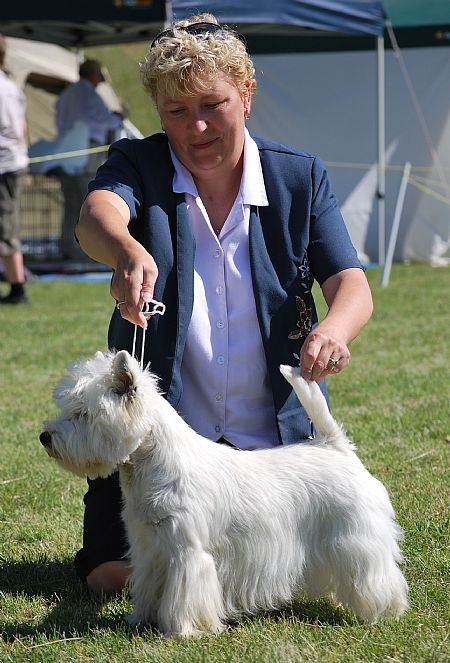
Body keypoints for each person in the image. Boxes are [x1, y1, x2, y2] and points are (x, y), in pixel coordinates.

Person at [75, 13, 373, 594]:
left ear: (247, 94)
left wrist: (334, 329)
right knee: (115, 578)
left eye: (213, 105)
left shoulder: (298, 177)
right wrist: (125, 249)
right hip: (164, 461)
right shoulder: (139, 163)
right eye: (176, 112)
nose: (197, 127)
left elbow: (351, 285)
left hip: (272, 464)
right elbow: (95, 216)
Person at [55, 59, 124, 259]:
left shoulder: (66, 95)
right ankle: (82, 248)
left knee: (70, 201)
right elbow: (107, 120)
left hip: (66, 151)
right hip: (87, 151)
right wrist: (119, 116)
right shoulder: (91, 96)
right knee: (88, 201)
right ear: (94, 75)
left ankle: (67, 244)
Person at [0, 35, 29, 305]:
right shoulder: (9, 84)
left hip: (5, 165)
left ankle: (18, 288)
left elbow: (12, 130)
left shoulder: (2, 87)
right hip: (11, 161)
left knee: (6, 226)